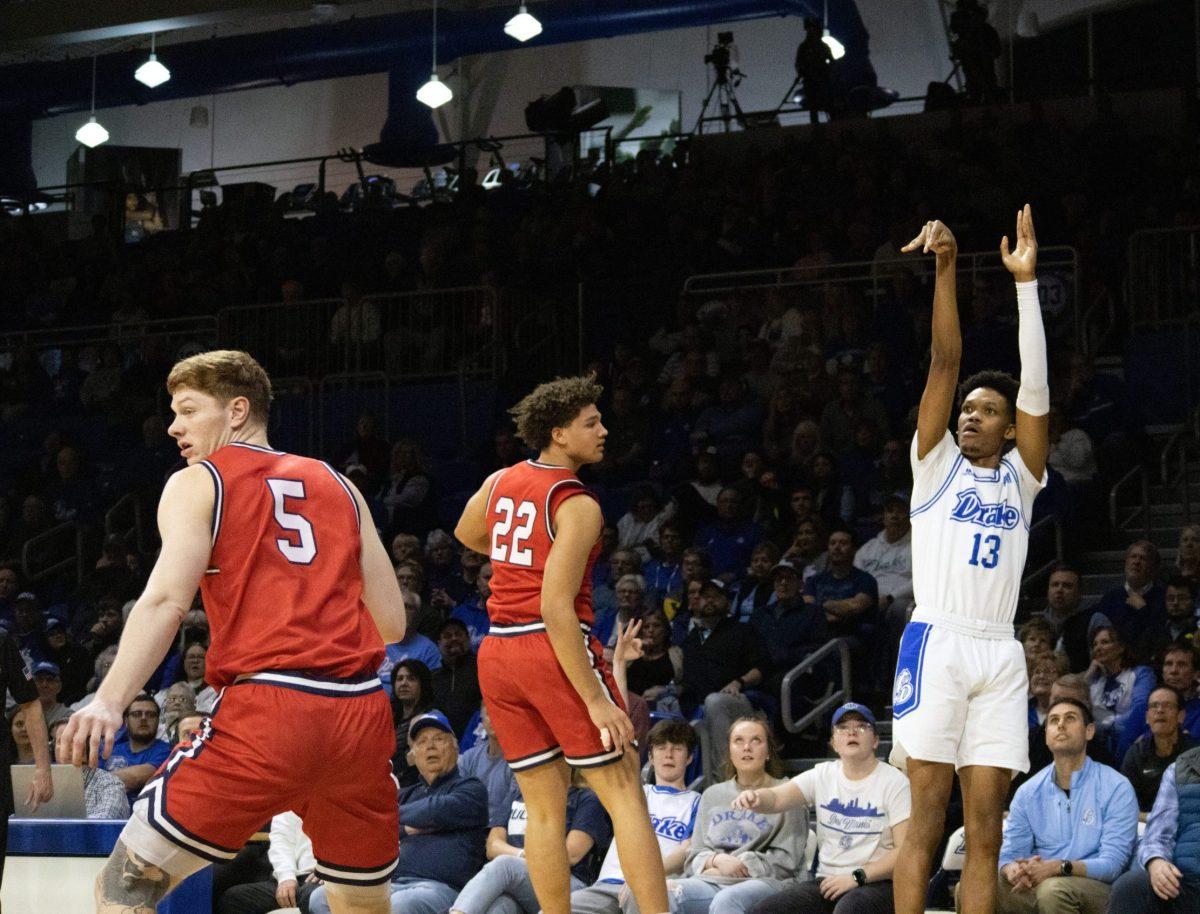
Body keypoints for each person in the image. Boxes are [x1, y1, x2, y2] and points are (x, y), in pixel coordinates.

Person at [57, 349, 407, 914]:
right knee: (360, 901)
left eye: (189, 410)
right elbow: (392, 623)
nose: (174, 426)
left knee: (126, 886)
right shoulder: (341, 485)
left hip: (270, 707)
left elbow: (168, 600)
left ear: (237, 410)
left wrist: (109, 700)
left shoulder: (200, 482)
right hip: (359, 714)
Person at [453, 375, 671, 914]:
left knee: (543, 812)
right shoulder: (577, 503)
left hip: (497, 651)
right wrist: (596, 700)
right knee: (627, 799)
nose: (603, 430)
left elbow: (466, 533)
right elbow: (555, 608)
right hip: (548, 645)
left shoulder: (501, 479)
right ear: (558, 433)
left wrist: (514, 555)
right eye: (590, 423)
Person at [890, 208, 1051, 914]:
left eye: (987, 412)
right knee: (924, 825)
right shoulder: (936, 466)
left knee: (984, 835)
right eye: (967, 410)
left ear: (1011, 429)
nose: (969, 416)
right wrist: (947, 268)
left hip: (999, 652)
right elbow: (944, 362)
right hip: (939, 640)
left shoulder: (1023, 474)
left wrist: (1026, 285)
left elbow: (1039, 391)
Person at [308, 709, 490, 914]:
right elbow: (370, 829)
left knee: (401, 904)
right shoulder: (405, 795)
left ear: (456, 748)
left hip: (440, 888)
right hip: (390, 884)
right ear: (412, 756)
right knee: (320, 899)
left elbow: (434, 810)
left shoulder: (471, 789)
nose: (430, 746)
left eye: (439, 739)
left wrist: (397, 821)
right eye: (421, 742)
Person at [739, 703, 911, 914]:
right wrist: (755, 797)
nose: (852, 732)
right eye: (843, 728)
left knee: (849, 909)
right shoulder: (823, 775)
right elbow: (775, 798)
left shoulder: (894, 781)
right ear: (833, 743)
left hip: (877, 883)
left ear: (875, 740)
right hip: (828, 882)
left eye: (862, 726)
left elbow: (905, 851)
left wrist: (856, 877)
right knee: (764, 911)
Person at [990, 698, 1137, 914]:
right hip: (1042, 884)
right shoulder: (1027, 792)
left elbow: (1112, 865)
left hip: (1101, 890)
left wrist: (1058, 867)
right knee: (974, 887)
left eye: (1070, 718)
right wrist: (1012, 869)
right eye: (1054, 720)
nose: (1060, 725)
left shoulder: (1116, 786)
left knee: (1053, 890)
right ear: (1047, 736)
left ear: (1089, 731)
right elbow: (1010, 853)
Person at [670, 716, 807, 914]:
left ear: (768, 751)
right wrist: (717, 861)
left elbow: (786, 862)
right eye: (739, 741)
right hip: (712, 878)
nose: (747, 747)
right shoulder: (712, 795)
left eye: (756, 740)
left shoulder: (788, 793)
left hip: (766, 882)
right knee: (661, 893)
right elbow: (694, 855)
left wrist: (738, 865)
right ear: (730, 752)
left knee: (727, 900)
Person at [571, 720, 702, 914]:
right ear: (650, 756)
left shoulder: (697, 801)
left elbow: (686, 852)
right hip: (607, 886)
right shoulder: (632, 792)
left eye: (677, 749)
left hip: (657, 887)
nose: (668, 754)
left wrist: (644, 878)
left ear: (689, 757)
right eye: (661, 747)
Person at [450, 774, 611, 914]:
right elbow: (492, 846)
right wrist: (523, 856)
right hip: (519, 882)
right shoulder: (519, 792)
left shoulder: (586, 798)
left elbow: (571, 855)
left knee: (504, 865)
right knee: (501, 906)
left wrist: (521, 861)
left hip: (567, 882)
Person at [680, 579, 772, 782]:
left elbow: (762, 668)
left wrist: (739, 682)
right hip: (700, 706)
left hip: (739, 702)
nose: (709, 601)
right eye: (705, 597)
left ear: (727, 602)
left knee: (715, 701)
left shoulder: (743, 631)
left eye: (716, 596)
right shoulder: (691, 639)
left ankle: (724, 778)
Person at [1108, 743, 1200, 912]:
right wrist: (1156, 862)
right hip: (1188, 885)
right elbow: (1157, 837)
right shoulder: (1180, 769)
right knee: (1131, 886)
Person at [216, 811, 319, 914]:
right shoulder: (293, 801)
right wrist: (286, 878)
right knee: (233, 899)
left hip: (319, 879)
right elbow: (281, 841)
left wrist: (328, 872)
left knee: (314, 898)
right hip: (291, 878)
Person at [1122, 686, 1197, 817]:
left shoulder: (1195, 753)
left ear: (1181, 716)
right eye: (1154, 706)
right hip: (1144, 827)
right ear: (1147, 717)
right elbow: (1124, 806)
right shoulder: (1135, 754)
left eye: (1168, 705)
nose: (1160, 710)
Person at [1086, 625, 1155, 752]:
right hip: (1097, 746)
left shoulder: (1141, 674)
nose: (1098, 648)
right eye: (1095, 644)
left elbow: (1140, 708)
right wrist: (1088, 677)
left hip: (1129, 741)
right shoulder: (1094, 681)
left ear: (1121, 648)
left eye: (1105, 642)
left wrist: (1105, 727)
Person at [102, 694, 172, 803]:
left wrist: (99, 782)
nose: (143, 718)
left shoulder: (167, 751)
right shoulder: (110, 749)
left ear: (158, 721)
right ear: (125, 721)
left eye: (150, 714)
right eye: (136, 714)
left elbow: (135, 778)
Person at [432, 619, 482, 737]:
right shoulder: (432, 678)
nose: (454, 638)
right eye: (447, 636)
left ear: (468, 639)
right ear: (439, 643)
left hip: (476, 738)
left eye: (458, 634)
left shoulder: (481, 668)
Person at [391, 660, 435, 787]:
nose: (404, 683)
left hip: (417, 785)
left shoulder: (431, 716)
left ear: (423, 684)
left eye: (411, 679)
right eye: (399, 679)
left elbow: (414, 759)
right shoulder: (389, 716)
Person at [793, 16, 834, 124]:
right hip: (811, 80)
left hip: (821, 79)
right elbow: (798, 63)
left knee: (826, 102)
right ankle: (816, 124)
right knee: (814, 105)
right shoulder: (805, 47)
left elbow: (832, 61)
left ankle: (829, 121)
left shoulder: (821, 46)